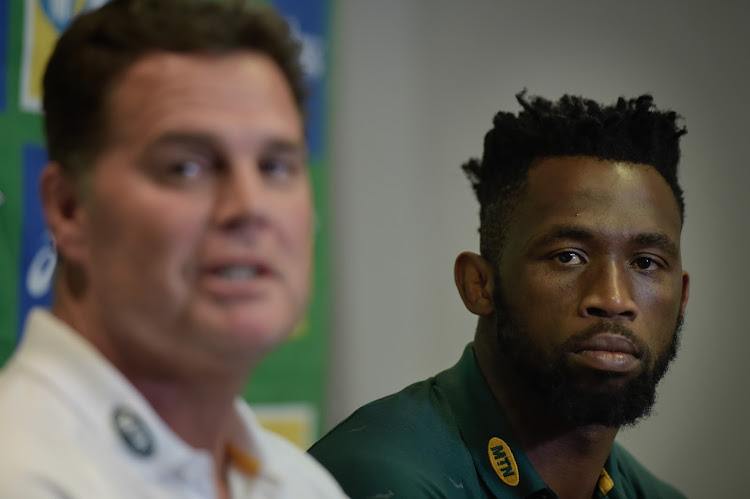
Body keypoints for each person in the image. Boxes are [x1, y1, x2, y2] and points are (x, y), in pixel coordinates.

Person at [0, 1, 347, 497]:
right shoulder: (21, 476)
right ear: (69, 208)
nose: (249, 207)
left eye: (274, 166)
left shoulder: (301, 485)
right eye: (186, 168)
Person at [309, 92, 690, 498]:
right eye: (568, 257)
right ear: (478, 284)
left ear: (682, 298)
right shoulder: (378, 479)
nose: (614, 299)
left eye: (646, 263)